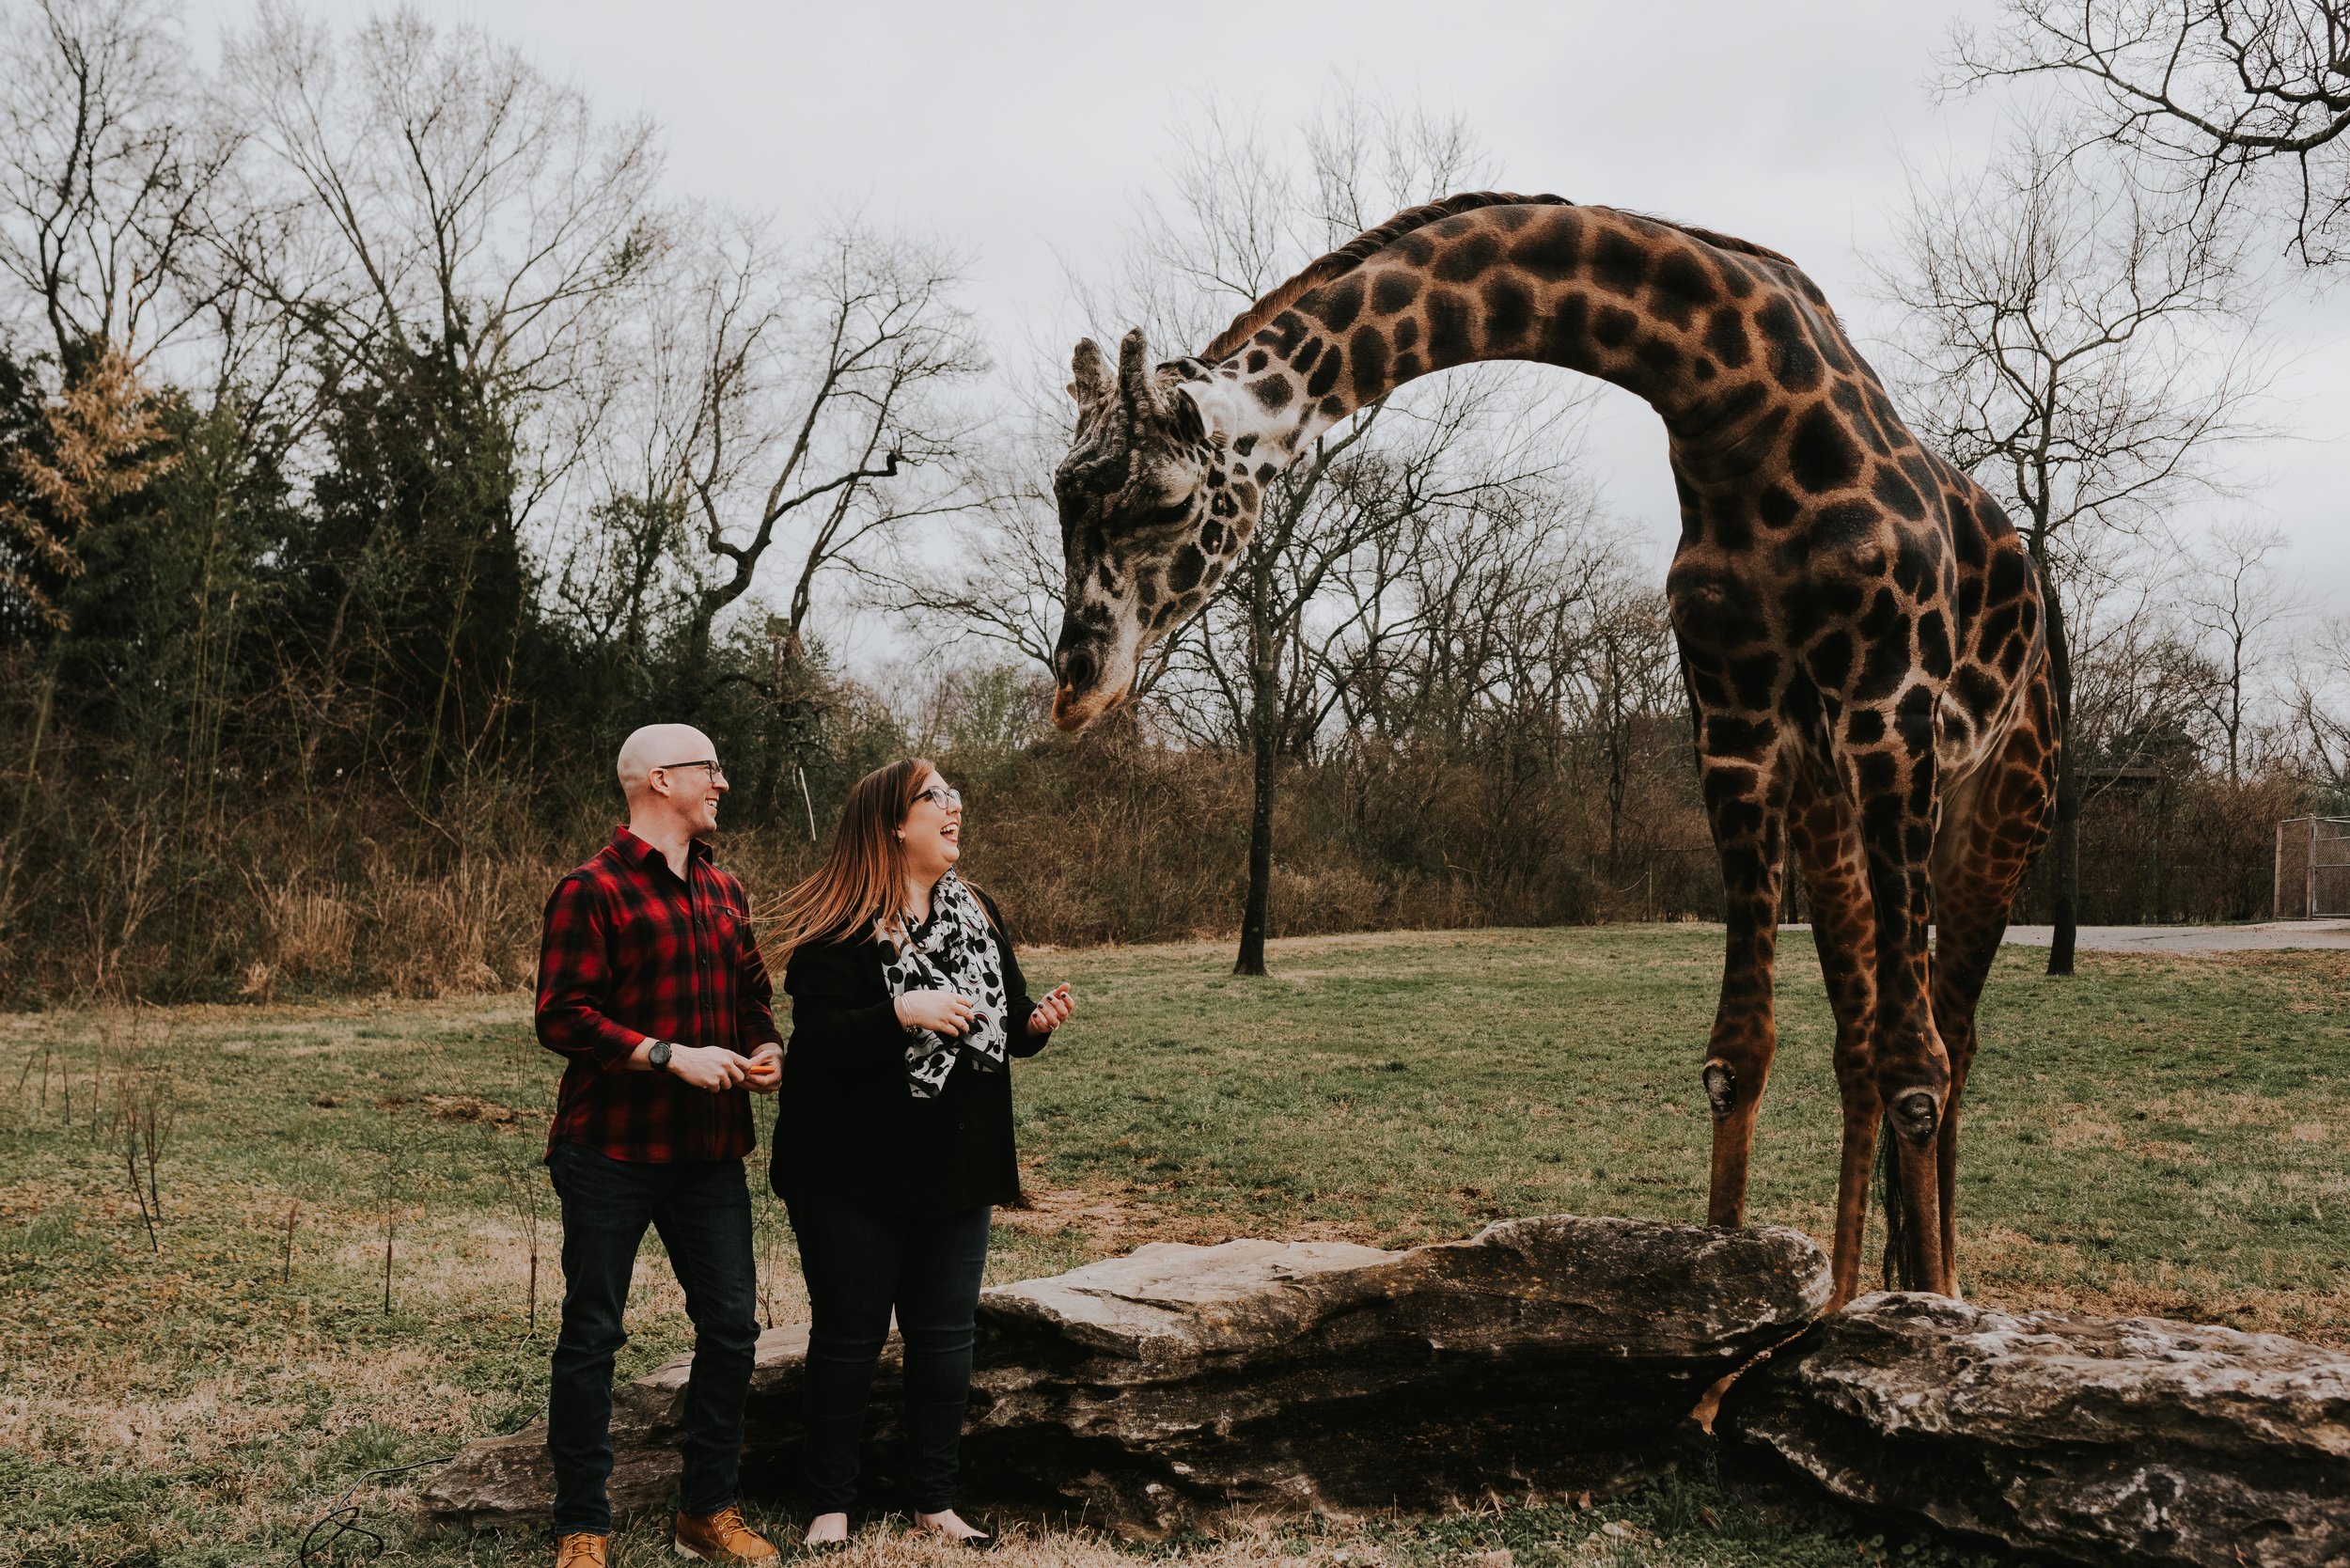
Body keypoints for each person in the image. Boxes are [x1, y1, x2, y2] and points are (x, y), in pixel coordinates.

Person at [772, 759, 1074, 1551]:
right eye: (934, 796)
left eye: (954, 795)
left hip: (955, 1161)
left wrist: (1033, 1026)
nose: (955, 807)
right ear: (892, 825)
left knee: (945, 1338)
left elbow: (999, 1023)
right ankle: (830, 1507)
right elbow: (819, 1049)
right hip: (849, 1167)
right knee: (849, 1336)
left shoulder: (977, 911)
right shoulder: (836, 929)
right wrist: (900, 1010)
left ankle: (934, 1502)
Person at [535, 723, 787, 1568]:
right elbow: (562, 1015)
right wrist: (666, 1055)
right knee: (593, 1334)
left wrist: (766, 1050)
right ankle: (583, 1526)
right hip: (610, 1147)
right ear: (658, 779)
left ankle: (705, 1511)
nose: (722, 784)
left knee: (731, 1330)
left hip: (709, 1152)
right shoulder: (591, 889)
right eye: (710, 770)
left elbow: (755, 997)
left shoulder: (725, 889)